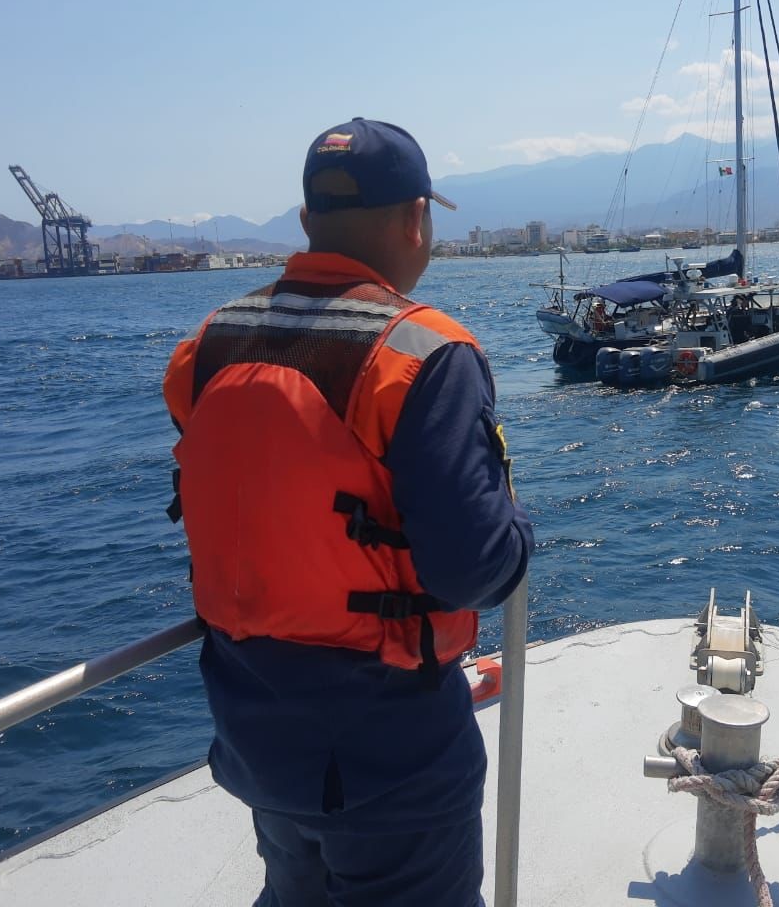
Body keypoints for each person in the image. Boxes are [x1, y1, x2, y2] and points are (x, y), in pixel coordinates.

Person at [162, 117, 534, 907]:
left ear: (305, 222)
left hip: (255, 737)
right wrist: (520, 532)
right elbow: (473, 570)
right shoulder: (425, 355)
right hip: (392, 761)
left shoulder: (207, 347)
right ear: (416, 219)